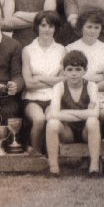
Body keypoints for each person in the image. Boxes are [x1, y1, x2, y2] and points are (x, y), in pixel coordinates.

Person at [45, 50, 102, 176]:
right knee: (52, 124)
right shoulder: (59, 86)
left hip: (86, 131)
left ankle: (94, 168)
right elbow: (53, 114)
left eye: (78, 69)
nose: (74, 73)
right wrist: (84, 113)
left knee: (93, 121)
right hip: (67, 132)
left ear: (85, 70)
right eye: (70, 69)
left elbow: (95, 113)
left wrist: (64, 111)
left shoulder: (91, 86)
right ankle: (54, 168)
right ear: (64, 71)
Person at [21, 11, 66, 155]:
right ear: (37, 27)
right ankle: (36, 154)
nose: (47, 29)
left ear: (56, 28)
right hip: (32, 98)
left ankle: (51, 155)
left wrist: (40, 78)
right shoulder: (27, 50)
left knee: (51, 119)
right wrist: (52, 81)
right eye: (43, 25)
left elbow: (63, 79)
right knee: (39, 119)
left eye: (51, 26)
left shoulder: (62, 50)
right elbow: (28, 83)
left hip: (54, 97)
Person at [65, 9, 104, 98]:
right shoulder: (70, 49)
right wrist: (99, 77)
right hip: (76, 94)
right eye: (89, 27)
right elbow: (68, 78)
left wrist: (90, 85)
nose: (93, 31)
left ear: (101, 29)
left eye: (97, 27)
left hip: (100, 93)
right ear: (81, 27)